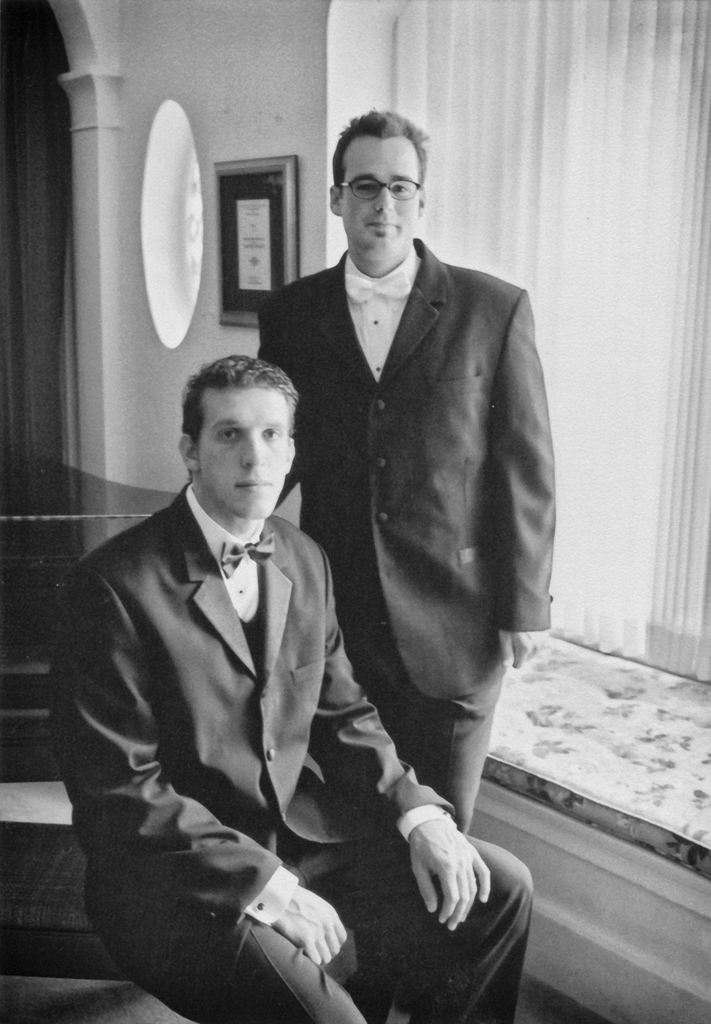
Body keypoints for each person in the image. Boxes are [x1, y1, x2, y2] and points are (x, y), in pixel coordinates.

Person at [51, 355, 532, 1024]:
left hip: (305, 837)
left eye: (273, 435)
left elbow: (344, 713)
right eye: (229, 435)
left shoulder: (303, 557)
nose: (255, 457)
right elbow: (118, 792)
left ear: (292, 448)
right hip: (176, 881)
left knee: (500, 888)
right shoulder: (110, 587)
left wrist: (418, 813)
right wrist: (272, 890)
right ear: (189, 451)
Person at [259, 110, 555, 832]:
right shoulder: (292, 314)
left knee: (443, 845)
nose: (382, 206)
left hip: (456, 629)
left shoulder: (494, 308)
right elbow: (276, 452)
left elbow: (526, 465)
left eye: (399, 187)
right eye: (364, 187)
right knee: (355, 831)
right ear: (336, 198)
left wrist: (523, 607)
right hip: (335, 630)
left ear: (421, 199)